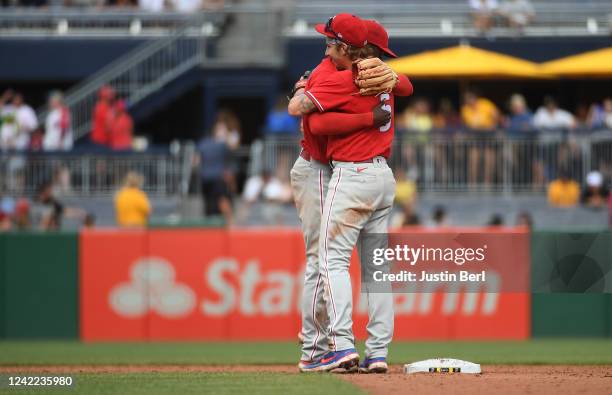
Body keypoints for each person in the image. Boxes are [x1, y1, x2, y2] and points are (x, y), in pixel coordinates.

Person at [288, 16, 413, 374]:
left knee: (329, 260)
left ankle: (338, 344)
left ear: (348, 48)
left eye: (330, 43)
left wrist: (302, 92)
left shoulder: (350, 78)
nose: (326, 47)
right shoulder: (382, 78)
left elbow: (307, 118)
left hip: (351, 173)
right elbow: (406, 86)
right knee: (376, 269)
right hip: (382, 176)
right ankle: (377, 352)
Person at [461, 90, 499, 184]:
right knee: (473, 160)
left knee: (489, 160)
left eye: (470, 99)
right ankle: (472, 184)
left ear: (475, 98)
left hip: (488, 136)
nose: (469, 102)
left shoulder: (486, 104)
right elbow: (468, 124)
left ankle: (487, 183)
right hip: (475, 136)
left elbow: (496, 115)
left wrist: (493, 125)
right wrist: (481, 127)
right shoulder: (465, 109)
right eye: (467, 100)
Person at [197, 127, 233, 225]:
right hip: (218, 177)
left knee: (208, 203)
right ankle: (230, 225)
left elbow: (196, 161)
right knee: (223, 200)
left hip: (205, 177)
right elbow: (232, 149)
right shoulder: (221, 144)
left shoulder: (202, 144)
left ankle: (209, 229)